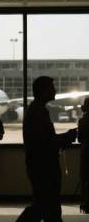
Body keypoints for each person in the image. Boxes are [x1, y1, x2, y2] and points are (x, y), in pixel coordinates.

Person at [16, 76, 76, 222]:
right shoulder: (38, 112)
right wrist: (66, 138)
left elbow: (43, 140)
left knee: (45, 206)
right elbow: (44, 142)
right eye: (52, 88)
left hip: (40, 166)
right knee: (46, 207)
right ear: (43, 91)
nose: (55, 90)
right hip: (44, 167)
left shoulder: (36, 110)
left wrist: (62, 138)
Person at [78, 97, 89, 214]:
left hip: (85, 151)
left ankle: (85, 203)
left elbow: (80, 139)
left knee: (84, 178)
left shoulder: (82, 121)